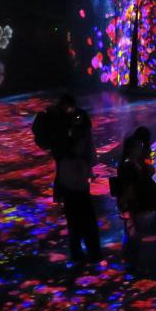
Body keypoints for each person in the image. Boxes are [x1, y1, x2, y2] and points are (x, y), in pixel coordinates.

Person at [55, 103, 101, 262]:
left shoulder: (71, 137)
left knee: (75, 221)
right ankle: (89, 252)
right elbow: (88, 156)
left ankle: (79, 252)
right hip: (76, 186)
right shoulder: (77, 137)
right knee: (84, 220)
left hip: (73, 185)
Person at [116, 126, 156, 270]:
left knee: (136, 231)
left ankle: (134, 256)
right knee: (134, 231)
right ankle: (132, 260)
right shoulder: (129, 166)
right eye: (138, 147)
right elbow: (129, 189)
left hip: (143, 203)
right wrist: (125, 204)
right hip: (138, 204)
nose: (141, 149)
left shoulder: (137, 163)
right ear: (131, 150)